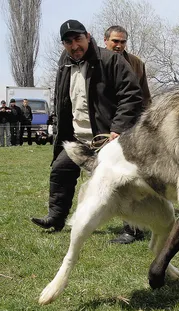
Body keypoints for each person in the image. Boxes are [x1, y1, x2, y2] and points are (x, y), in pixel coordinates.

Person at [31, 19, 143, 232]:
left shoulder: (112, 61)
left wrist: (117, 129)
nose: (74, 46)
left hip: (108, 138)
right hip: (77, 137)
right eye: (68, 42)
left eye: (78, 39)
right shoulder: (64, 62)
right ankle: (56, 218)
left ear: (88, 36)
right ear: (63, 45)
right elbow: (64, 99)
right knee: (60, 171)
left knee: (122, 182)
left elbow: (131, 96)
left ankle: (132, 229)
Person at [104, 25, 151, 244]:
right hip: (105, 128)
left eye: (122, 41)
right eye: (115, 41)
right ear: (106, 41)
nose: (118, 45)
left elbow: (144, 98)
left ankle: (132, 229)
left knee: (129, 178)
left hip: (131, 129)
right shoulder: (99, 62)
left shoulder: (136, 64)